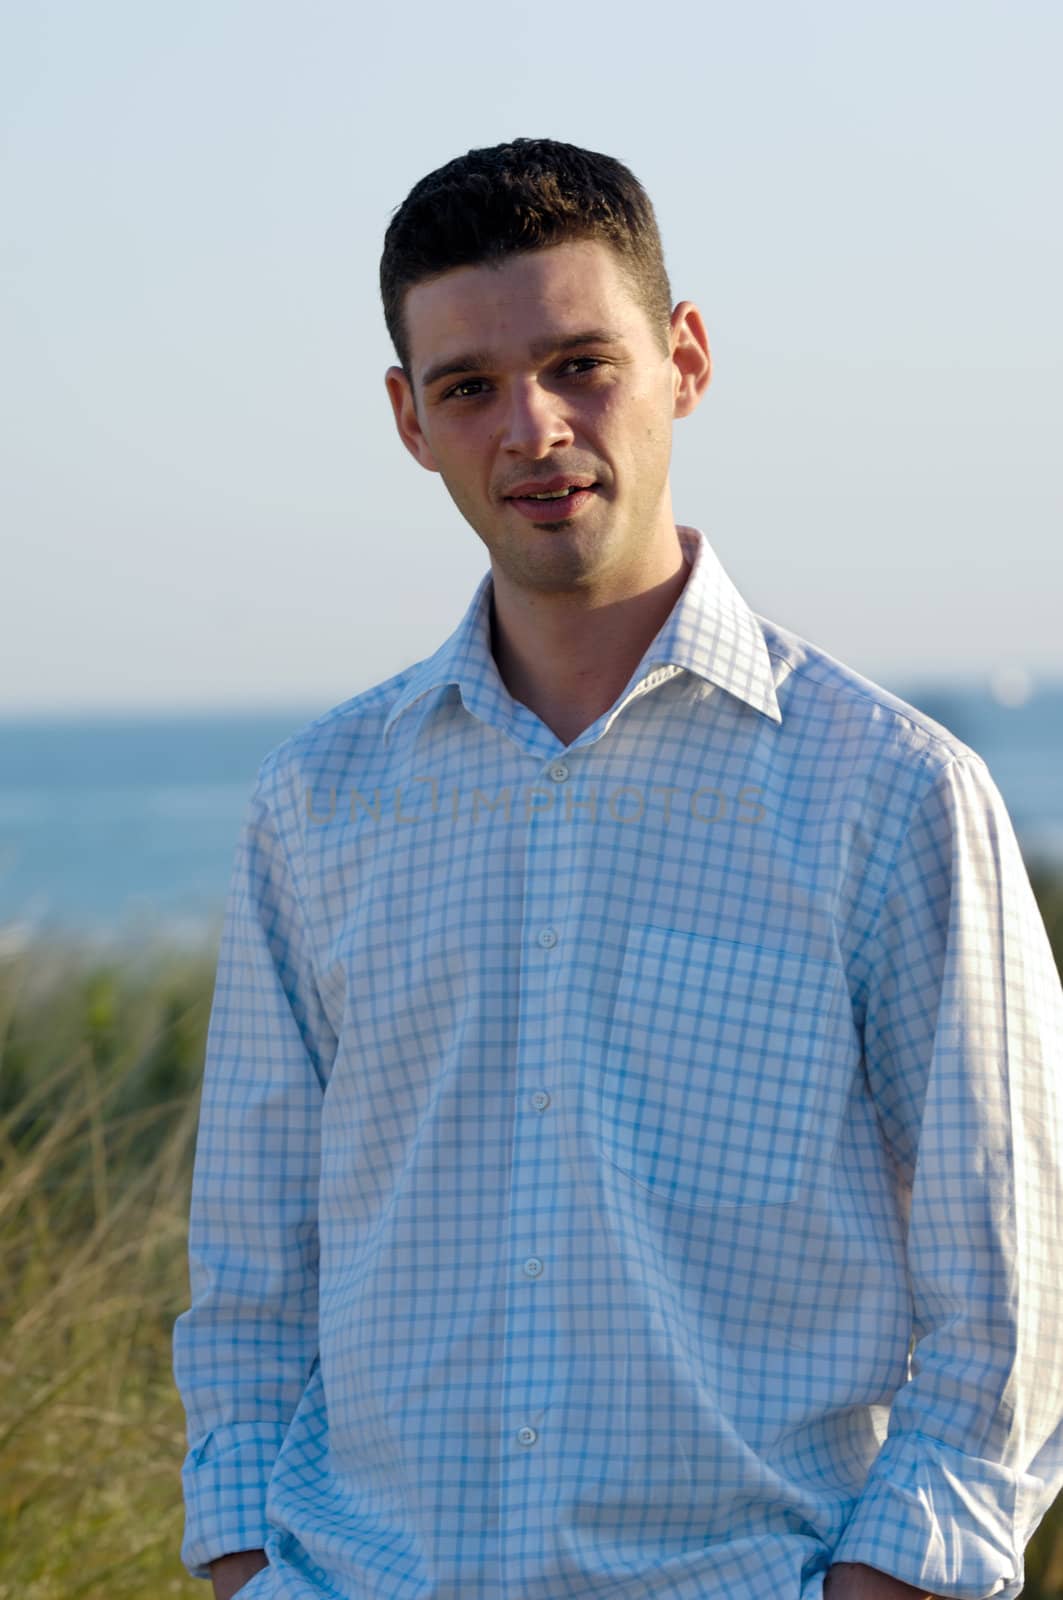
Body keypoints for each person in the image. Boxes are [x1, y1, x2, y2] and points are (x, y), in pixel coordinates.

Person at [172, 138, 1063, 1600]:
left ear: (685, 360)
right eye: (469, 386)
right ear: (409, 419)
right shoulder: (315, 807)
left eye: (581, 363)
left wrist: (880, 1588)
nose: (532, 428)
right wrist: (251, 1569)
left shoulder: (891, 794)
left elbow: (1020, 1296)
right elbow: (255, 1284)